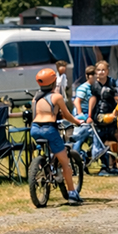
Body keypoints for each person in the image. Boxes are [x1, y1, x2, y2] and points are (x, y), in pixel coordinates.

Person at [31, 68, 84, 204]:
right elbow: (66, 115)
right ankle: (72, 193)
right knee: (65, 163)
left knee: (47, 149)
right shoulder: (56, 97)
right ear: (54, 82)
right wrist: (77, 122)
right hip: (49, 128)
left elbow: (35, 115)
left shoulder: (35, 99)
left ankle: (46, 167)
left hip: (35, 128)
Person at [89, 61, 118, 175]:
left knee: (114, 140)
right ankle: (104, 166)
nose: (101, 72)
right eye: (98, 70)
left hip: (112, 114)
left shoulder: (112, 82)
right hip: (99, 116)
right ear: (95, 72)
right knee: (101, 141)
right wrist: (89, 115)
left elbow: (117, 98)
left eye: (103, 70)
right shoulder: (94, 85)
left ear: (107, 71)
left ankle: (114, 164)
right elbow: (93, 100)